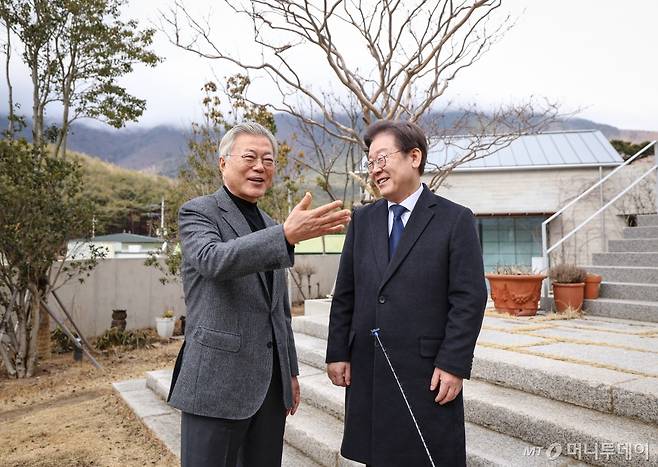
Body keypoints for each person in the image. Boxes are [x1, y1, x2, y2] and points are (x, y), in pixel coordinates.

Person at [168, 121, 351, 467]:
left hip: (268, 388)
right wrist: (285, 236)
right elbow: (213, 260)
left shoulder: (269, 223)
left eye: (268, 160)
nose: (260, 167)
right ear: (223, 163)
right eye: (249, 157)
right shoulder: (198, 212)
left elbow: (278, 311)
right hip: (215, 384)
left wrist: (290, 373)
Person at [326, 120, 487, 466]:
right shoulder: (363, 220)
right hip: (370, 368)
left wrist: (454, 363)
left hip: (427, 373)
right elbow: (346, 293)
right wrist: (337, 351)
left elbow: (469, 298)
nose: (375, 170)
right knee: (377, 457)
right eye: (370, 163)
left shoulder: (454, 219)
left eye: (382, 158)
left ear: (414, 157)